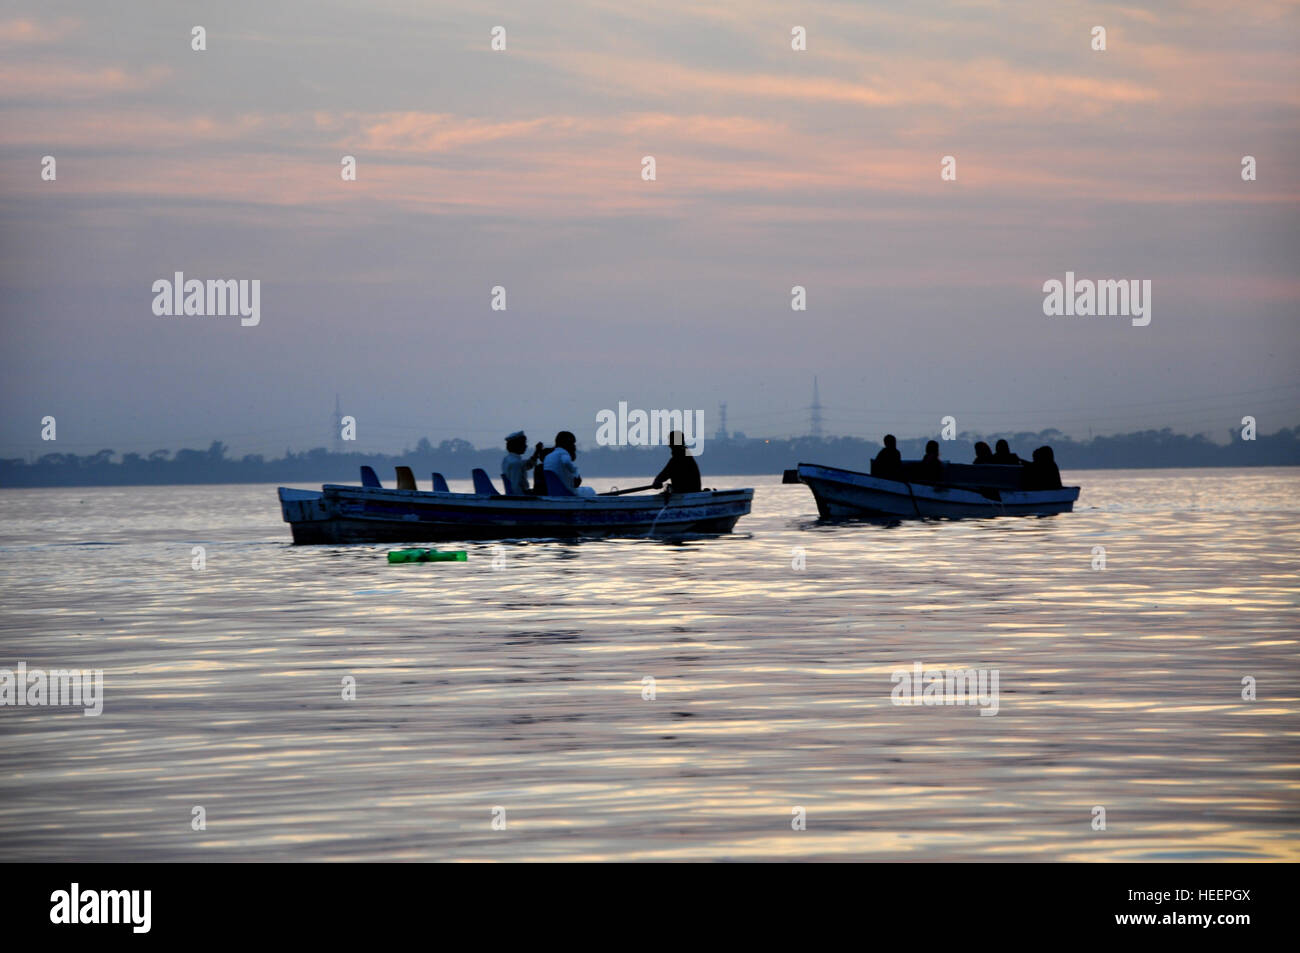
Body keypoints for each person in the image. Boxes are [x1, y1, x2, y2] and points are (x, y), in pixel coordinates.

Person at [543, 431, 596, 497]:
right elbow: (566, 461)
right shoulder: (563, 453)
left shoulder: (548, 457)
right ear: (567, 443)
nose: (574, 446)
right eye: (573, 443)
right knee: (591, 490)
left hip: (553, 494)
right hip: (567, 494)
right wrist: (575, 472)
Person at [500, 431, 544, 495]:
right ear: (517, 445)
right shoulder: (515, 463)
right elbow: (515, 487)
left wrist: (536, 452)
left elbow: (528, 465)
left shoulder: (508, 459)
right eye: (524, 444)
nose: (526, 446)